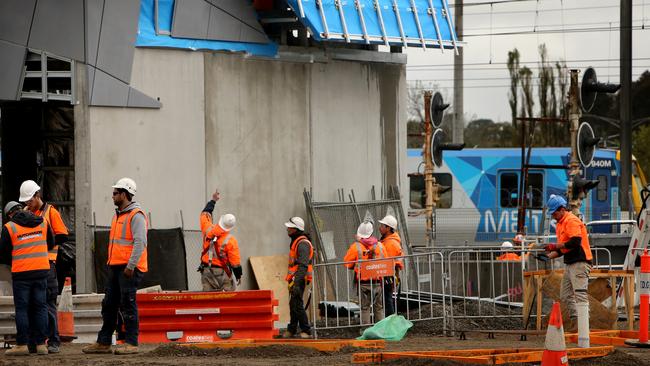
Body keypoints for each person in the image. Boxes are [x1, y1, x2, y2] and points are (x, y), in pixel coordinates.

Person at [83, 178, 147, 355]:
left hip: (128, 268)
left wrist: (131, 266)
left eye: (115, 193)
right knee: (109, 304)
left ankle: (131, 343)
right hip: (116, 267)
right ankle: (104, 342)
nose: (112, 196)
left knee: (128, 304)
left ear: (124, 194)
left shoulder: (136, 215)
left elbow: (140, 242)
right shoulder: (119, 215)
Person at [19, 179, 69, 353]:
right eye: (25, 201)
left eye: (29, 200)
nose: (27, 204)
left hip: (47, 265)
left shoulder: (50, 212)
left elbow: (63, 235)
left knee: (47, 304)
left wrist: (45, 244)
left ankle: (54, 340)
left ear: (37, 195)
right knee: (33, 305)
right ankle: (36, 341)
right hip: (30, 266)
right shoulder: (25, 212)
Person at [0, 201, 54, 356]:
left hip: (21, 273)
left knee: (22, 309)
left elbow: (3, 253)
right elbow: (51, 242)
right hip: (41, 271)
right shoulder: (42, 221)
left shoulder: (10, 227)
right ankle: (41, 345)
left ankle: (22, 344)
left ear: (10, 214)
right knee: (41, 307)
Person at [543, 194, 592, 335]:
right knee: (565, 295)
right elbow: (565, 248)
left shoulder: (571, 220)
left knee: (580, 295)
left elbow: (575, 243)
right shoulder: (561, 223)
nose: (553, 216)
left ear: (562, 209)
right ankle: (577, 323)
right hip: (571, 263)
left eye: (554, 213)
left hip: (580, 262)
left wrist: (554, 246)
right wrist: (548, 256)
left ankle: (584, 327)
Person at [343, 221, 387, 325]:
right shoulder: (380, 246)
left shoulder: (356, 247)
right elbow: (386, 261)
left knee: (365, 308)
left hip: (363, 283)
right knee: (379, 307)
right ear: (371, 233)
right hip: (377, 282)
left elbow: (347, 264)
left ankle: (365, 329)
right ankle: (380, 330)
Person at [198, 189, 242, 291]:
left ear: (221, 220)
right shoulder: (230, 240)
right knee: (226, 301)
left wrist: (213, 200)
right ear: (231, 227)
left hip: (206, 271)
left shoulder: (207, 229)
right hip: (222, 272)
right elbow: (235, 263)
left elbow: (205, 214)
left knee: (208, 301)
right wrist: (238, 275)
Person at [283, 217, 313, 338]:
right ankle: (292, 329)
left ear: (296, 229)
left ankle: (306, 329)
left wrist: (296, 283)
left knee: (297, 304)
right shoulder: (297, 241)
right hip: (295, 279)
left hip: (299, 279)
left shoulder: (302, 244)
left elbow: (303, 265)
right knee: (293, 304)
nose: (287, 229)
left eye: (290, 227)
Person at [378, 215, 403, 317]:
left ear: (388, 228)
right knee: (386, 298)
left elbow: (387, 262)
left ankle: (390, 321)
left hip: (388, 275)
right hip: (388, 275)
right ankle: (389, 320)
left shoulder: (391, 243)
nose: (380, 227)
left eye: (382, 225)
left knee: (387, 299)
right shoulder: (388, 241)